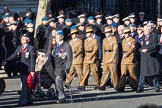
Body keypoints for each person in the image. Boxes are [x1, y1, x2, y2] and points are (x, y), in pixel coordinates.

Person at [6, 33, 36, 106]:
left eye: (24, 38)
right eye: (21, 38)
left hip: (28, 69)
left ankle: (22, 101)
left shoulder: (31, 48)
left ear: (28, 40)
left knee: (24, 85)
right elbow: (14, 55)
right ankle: (30, 100)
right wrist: (6, 60)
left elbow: (32, 60)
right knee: (26, 85)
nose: (22, 40)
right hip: (21, 69)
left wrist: (32, 71)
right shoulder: (19, 47)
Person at [137, 25, 160, 93]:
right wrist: (141, 50)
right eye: (143, 30)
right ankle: (140, 87)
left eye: (146, 30)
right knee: (142, 73)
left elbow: (154, 46)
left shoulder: (153, 36)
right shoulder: (143, 37)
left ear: (149, 30)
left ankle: (157, 87)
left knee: (154, 73)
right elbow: (140, 46)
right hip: (144, 58)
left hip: (151, 57)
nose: (144, 31)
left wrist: (147, 49)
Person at [53, 30, 72, 103]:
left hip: (62, 67)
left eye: (58, 36)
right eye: (56, 36)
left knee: (58, 80)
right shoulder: (56, 45)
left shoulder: (66, 45)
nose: (56, 37)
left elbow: (70, 58)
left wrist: (67, 68)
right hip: (55, 67)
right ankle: (59, 95)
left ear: (62, 37)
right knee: (57, 82)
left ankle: (62, 97)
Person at [117, 27, 138, 92]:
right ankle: (121, 86)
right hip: (124, 59)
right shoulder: (123, 40)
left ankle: (135, 86)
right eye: (124, 33)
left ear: (129, 33)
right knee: (123, 73)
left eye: (126, 33)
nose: (125, 34)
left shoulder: (132, 40)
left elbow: (132, 48)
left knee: (132, 74)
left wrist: (127, 54)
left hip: (130, 59)